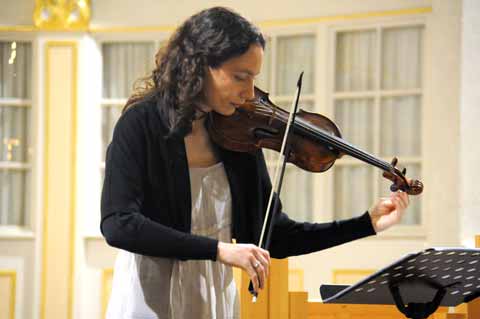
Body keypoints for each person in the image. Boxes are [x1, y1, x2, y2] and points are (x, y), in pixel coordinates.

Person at [100, 6, 410, 319]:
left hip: (213, 298)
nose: (249, 93)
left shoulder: (237, 135)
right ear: (200, 65)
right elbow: (118, 224)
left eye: (253, 78)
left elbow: (276, 234)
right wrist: (219, 250)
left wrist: (367, 223)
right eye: (239, 77)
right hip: (149, 296)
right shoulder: (141, 124)